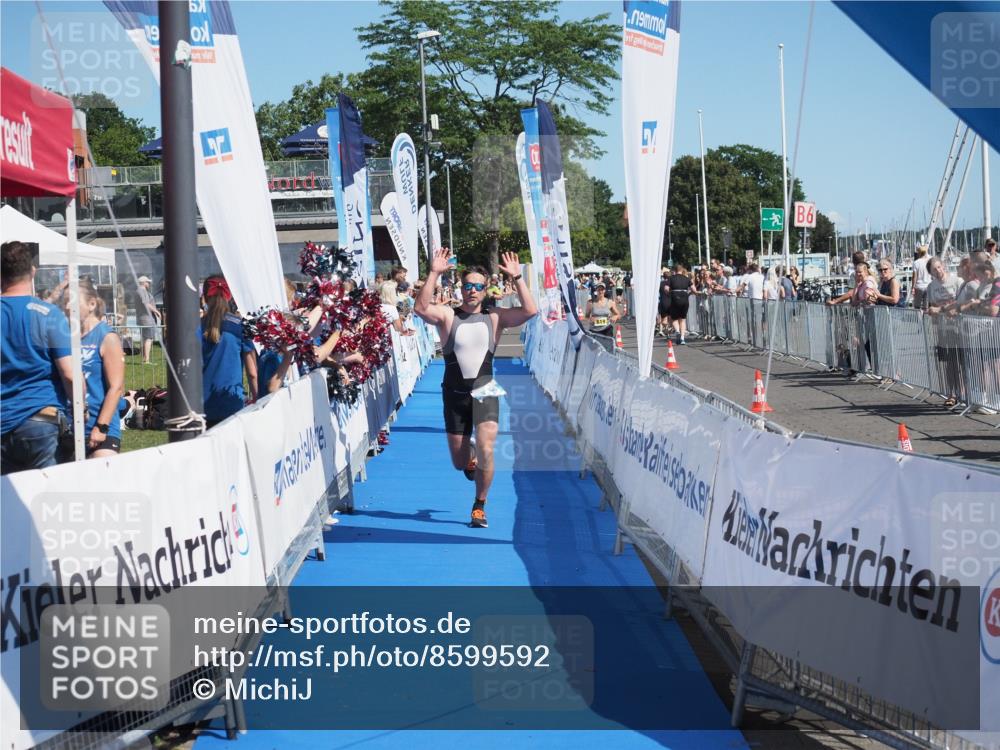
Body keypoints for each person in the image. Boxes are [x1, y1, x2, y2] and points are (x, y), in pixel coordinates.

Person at [414, 248, 537, 528]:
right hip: (454, 394)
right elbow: (420, 308)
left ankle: (479, 505)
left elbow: (530, 310)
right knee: (460, 463)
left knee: (487, 448)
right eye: (467, 285)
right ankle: (468, 456)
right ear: (461, 287)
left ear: (485, 290)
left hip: (485, 390)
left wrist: (517, 277)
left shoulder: (494, 317)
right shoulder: (448, 316)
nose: (472, 291)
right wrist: (434, 272)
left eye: (478, 287)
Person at [1, 241, 75, 473]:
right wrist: (81, 411)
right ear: (32, 271)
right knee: (46, 499)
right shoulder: (49, 315)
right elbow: (69, 374)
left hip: (4, 420)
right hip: (40, 419)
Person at [67, 279, 125, 457]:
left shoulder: (106, 337)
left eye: (72, 300)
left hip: (100, 428)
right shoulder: (66, 337)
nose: (67, 306)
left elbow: (116, 388)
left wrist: (101, 426)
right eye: (64, 302)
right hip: (68, 428)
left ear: (91, 304)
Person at [199, 276, 257, 428]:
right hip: (232, 403)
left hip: (202, 406)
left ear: (204, 297)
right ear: (229, 296)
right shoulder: (241, 327)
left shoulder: (197, 327)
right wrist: (257, 400)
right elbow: (252, 373)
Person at [925, 257, 963, 408]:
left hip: (961, 327)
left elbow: (961, 301)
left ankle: (965, 392)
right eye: (935, 269)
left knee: (963, 361)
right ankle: (952, 393)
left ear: (944, 266)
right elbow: (933, 306)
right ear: (931, 273)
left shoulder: (957, 281)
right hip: (944, 328)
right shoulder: (931, 287)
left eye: (939, 267)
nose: (938, 271)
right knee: (949, 363)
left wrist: (943, 308)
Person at [136, 275, 161, 364]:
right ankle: (146, 360)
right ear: (144, 283)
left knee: (144, 338)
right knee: (148, 339)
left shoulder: (140, 291)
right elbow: (146, 303)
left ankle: (144, 359)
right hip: (147, 319)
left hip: (143, 318)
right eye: (148, 282)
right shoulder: (142, 291)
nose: (149, 283)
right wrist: (157, 311)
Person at [666, 263, 693, 343]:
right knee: (683, 319)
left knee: (674, 318)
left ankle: (677, 331)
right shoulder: (687, 278)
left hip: (675, 299)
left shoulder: (671, 278)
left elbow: (666, 288)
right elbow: (693, 288)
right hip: (685, 299)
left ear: (675, 270)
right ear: (682, 270)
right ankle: (682, 338)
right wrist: (691, 293)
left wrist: (669, 293)